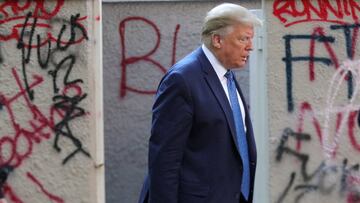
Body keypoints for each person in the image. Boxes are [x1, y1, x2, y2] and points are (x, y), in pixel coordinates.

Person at [138, 3, 262, 203]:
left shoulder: (226, 76)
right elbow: (164, 159)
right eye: (243, 39)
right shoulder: (182, 80)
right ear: (217, 40)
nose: (251, 46)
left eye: (251, 39)